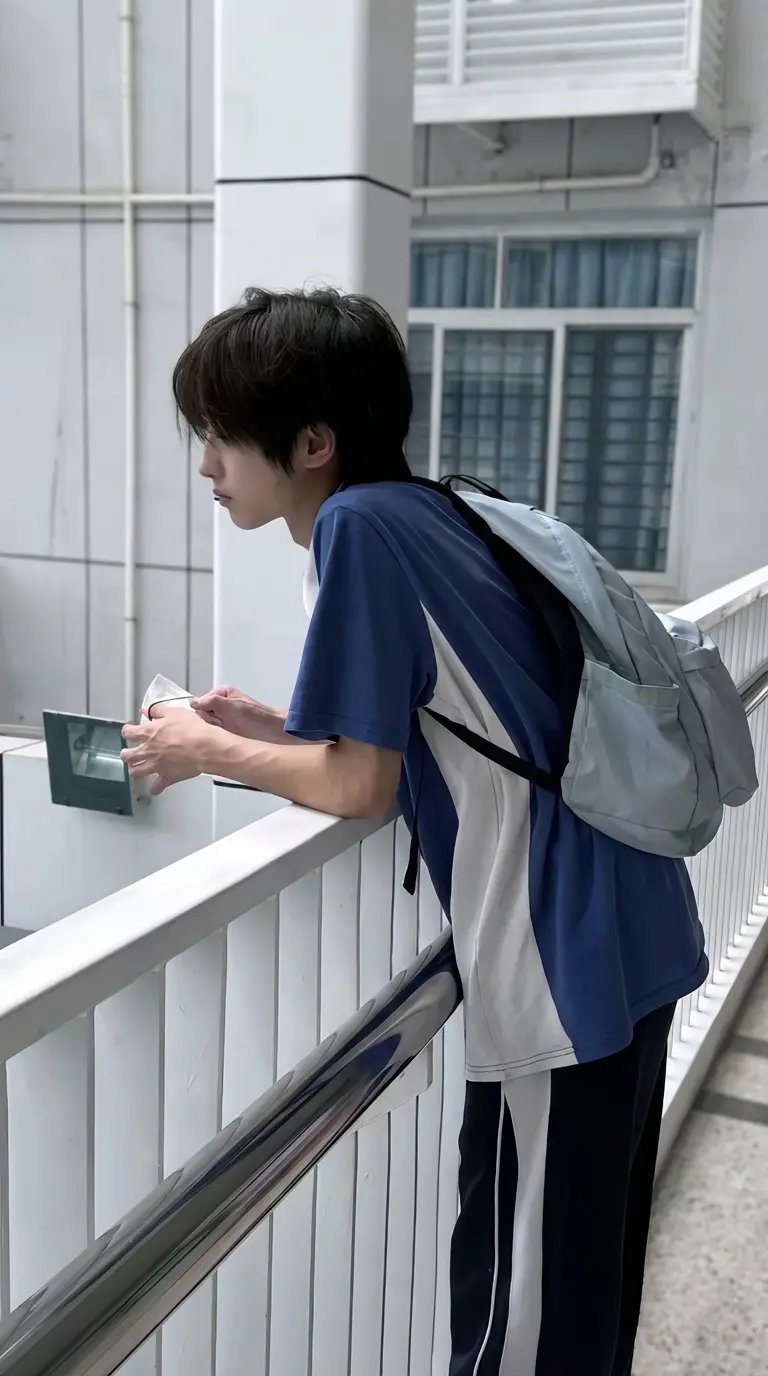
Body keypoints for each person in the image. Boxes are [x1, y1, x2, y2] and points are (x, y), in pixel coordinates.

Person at [121, 287, 707, 1376]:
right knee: (585, 1287)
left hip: (559, 961)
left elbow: (359, 783)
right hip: (633, 922)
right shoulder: (434, 508)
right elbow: (437, 732)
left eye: (221, 434)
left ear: (311, 442)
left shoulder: (355, 530)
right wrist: (267, 727)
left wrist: (204, 750)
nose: (206, 463)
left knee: (521, 1323)